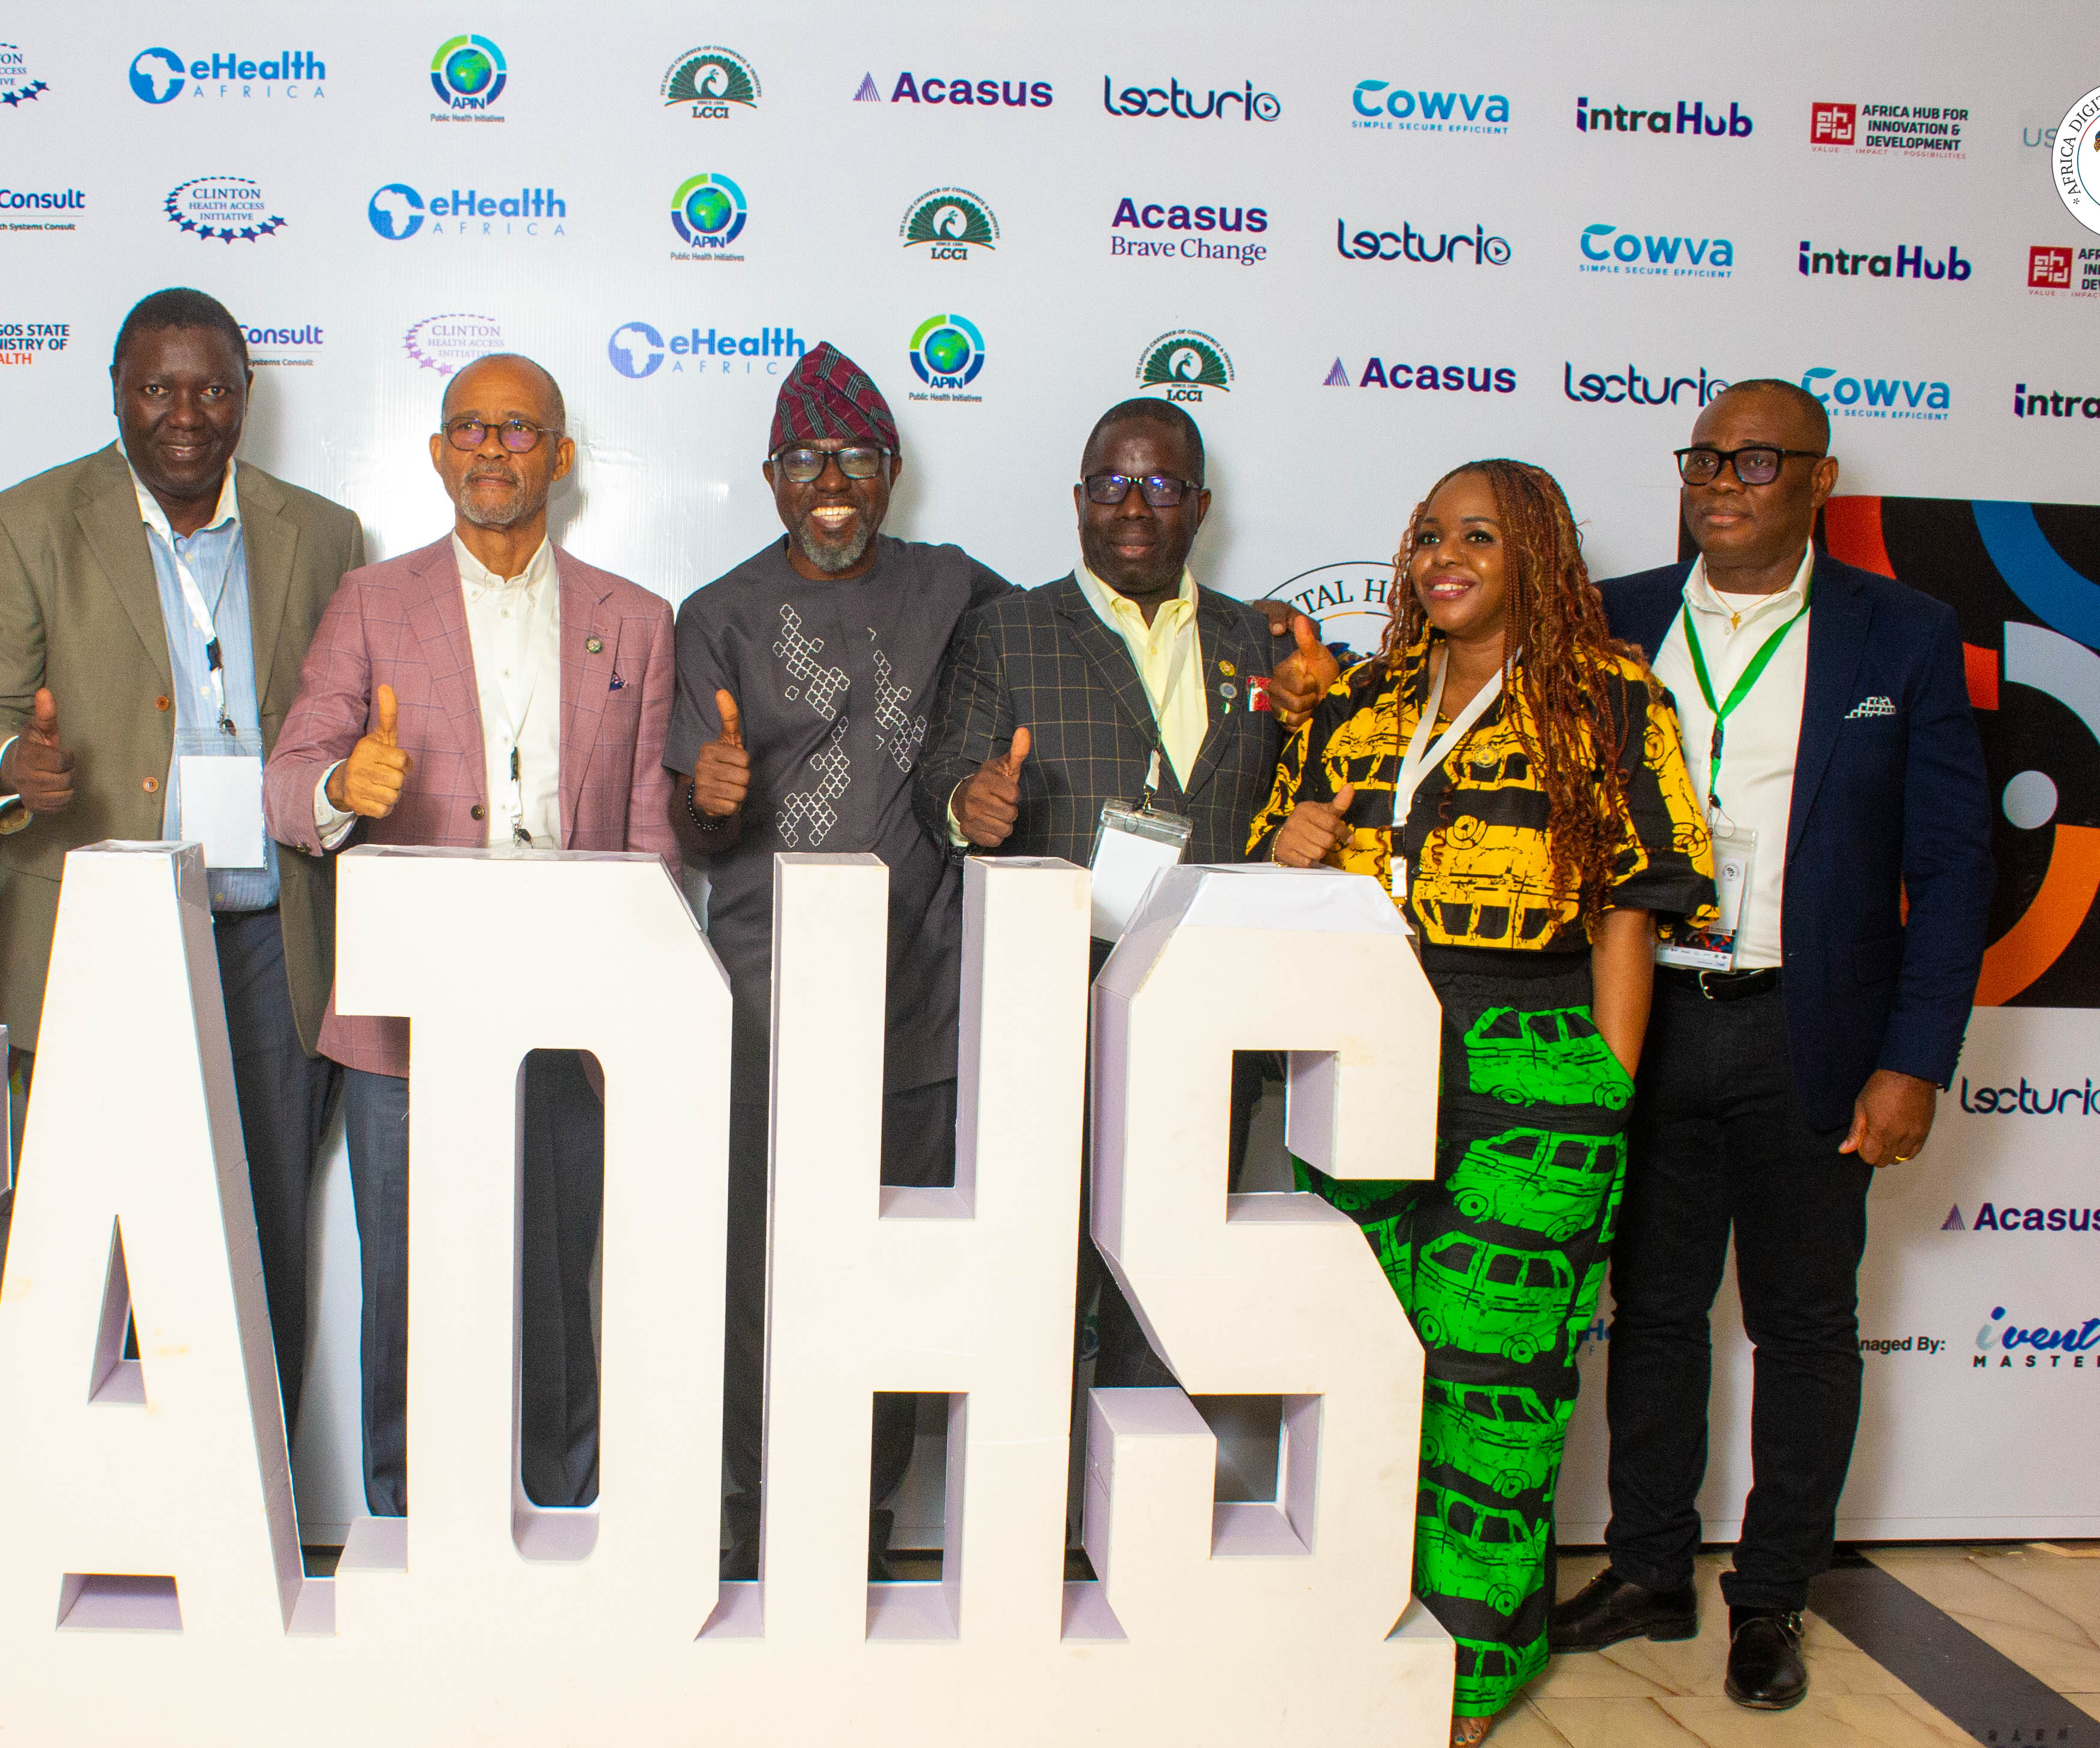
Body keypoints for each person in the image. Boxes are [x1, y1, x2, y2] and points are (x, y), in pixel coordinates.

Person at [1260, 457, 1714, 1748]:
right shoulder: (1364, 701)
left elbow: (1630, 908)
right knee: (1363, 1365)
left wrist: (1604, 1083)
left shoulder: (1611, 697)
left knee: (1492, 1375)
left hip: (1530, 1056)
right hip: (1362, 1048)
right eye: (1426, 537)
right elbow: (1284, 855)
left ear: (1538, 558)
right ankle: (1355, 1623)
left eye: (1477, 536)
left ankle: (1472, 1662)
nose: (1442, 559)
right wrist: (1288, 840)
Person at [1564, 380, 1994, 1708]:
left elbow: (1952, 866)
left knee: (1805, 1326)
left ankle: (1770, 1597)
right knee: (1653, 1314)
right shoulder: (1614, 617)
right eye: (1704, 457)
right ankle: (1648, 1570)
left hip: (1807, 1028)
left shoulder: (1899, 634)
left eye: (1755, 460)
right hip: (1644, 1016)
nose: (1721, 482)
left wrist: (1914, 1060)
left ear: (1819, 479)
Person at [264, 354, 677, 1518]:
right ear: (439, 454)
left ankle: (560, 1515)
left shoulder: (636, 621)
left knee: (555, 1288)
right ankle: (404, 1527)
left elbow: (651, 835)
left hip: (570, 1012)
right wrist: (344, 783)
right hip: (409, 1016)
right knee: (409, 1288)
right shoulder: (370, 601)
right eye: (469, 428)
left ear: (562, 455)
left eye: (517, 429)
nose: (491, 449)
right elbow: (288, 781)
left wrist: (634, 1004)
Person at [0, 289, 365, 1415]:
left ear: (246, 396)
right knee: (86, 1237)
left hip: (270, 940)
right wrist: (13, 768)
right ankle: (72, 1488)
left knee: (261, 1234)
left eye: (212, 388)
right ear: (117, 393)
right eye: (157, 389)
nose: (185, 414)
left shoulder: (322, 534)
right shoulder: (27, 523)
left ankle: (256, 1488)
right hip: (97, 931)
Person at [666, 342, 1013, 1581]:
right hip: (766, 1009)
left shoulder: (954, 587)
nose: (831, 483)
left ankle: (858, 1523)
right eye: (806, 459)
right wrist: (709, 801)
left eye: (855, 458)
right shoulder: (716, 615)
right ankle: (755, 1514)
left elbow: (1074, 641)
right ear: (770, 475)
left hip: (919, 1004)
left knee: (899, 1274)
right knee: (760, 1278)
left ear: (891, 471)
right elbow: (694, 834)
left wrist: (1255, 644)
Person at [918, 398, 1337, 1395]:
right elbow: (945, 771)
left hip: (1209, 1018)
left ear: (1200, 505)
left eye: (1158, 485)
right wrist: (968, 802)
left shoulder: (1265, 643)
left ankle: (1141, 1480)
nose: (1133, 507)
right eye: (1110, 484)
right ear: (1078, 501)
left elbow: (1319, 781)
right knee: (1037, 1288)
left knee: (1169, 1294)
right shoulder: (1007, 632)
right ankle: (1036, 1479)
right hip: (1055, 1021)